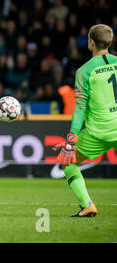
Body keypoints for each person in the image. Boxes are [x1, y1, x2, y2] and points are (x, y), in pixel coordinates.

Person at [53, 24, 117, 217]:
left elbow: (79, 107)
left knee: (68, 163)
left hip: (97, 132)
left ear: (90, 42)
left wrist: (71, 139)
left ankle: (87, 205)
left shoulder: (84, 71)